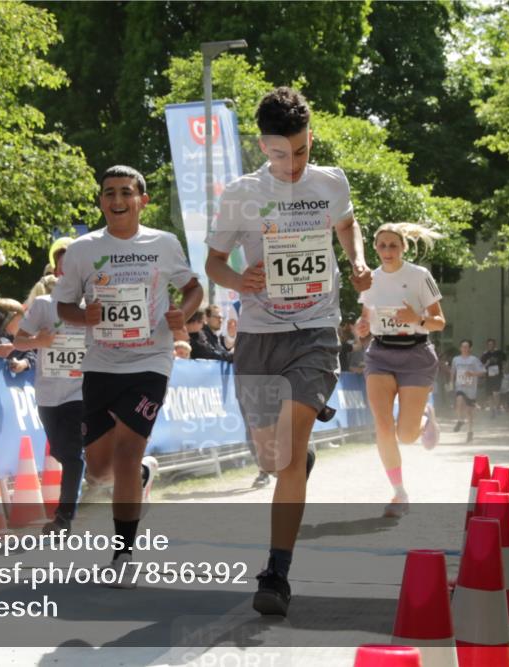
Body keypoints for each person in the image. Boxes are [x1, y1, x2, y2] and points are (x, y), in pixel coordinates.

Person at [205, 87, 371, 617]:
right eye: (281, 154)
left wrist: (357, 261)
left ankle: (276, 571)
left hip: (316, 331)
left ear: (310, 140)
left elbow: (346, 225)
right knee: (272, 455)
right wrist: (241, 279)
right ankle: (295, 457)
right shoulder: (239, 194)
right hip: (258, 335)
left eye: (300, 151)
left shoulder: (331, 182)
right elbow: (214, 264)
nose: (293, 164)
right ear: (262, 147)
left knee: (290, 449)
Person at [54, 165, 203, 581]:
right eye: (108, 193)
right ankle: (138, 479)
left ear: (142, 199)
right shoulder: (83, 250)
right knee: (100, 470)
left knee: (126, 453)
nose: (116, 201)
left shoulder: (164, 243)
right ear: (100, 200)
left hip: (150, 362)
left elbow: (194, 287)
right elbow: (63, 306)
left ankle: (123, 556)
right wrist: (85, 317)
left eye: (125, 193)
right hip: (101, 364)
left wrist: (182, 315)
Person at [357, 222, 446, 518]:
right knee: (383, 426)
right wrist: (362, 327)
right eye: (381, 245)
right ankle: (399, 492)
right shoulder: (370, 279)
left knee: (406, 436)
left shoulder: (420, 276)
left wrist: (416, 317)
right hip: (380, 354)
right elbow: (366, 318)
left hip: (416, 355)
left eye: (393, 245)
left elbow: (439, 322)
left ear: (403, 248)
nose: (387, 251)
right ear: (375, 249)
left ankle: (423, 418)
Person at [14, 238, 84, 533]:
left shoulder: (91, 306)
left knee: (71, 455)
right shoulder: (43, 305)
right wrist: (38, 342)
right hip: (48, 392)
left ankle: (63, 518)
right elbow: (17, 341)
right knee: (59, 451)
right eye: (61, 265)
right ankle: (122, 473)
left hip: (81, 391)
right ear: (56, 270)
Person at [451, 340, 485, 442]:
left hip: (470, 389)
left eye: (466, 347)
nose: (464, 349)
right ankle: (460, 420)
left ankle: (470, 432)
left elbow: (483, 372)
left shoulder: (474, 360)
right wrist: (450, 382)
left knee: (469, 412)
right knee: (459, 401)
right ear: (460, 348)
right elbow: (453, 371)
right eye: (462, 346)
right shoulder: (456, 359)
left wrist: (472, 374)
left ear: (470, 348)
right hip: (460, 386)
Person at [480, 338, 506, 418]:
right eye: (489, 345)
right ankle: (492, 410)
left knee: (496, 393)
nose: (490, 346)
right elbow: (481, 366)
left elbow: (505, 361)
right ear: (487, 345)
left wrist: (504, 369)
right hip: (489, 376)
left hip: (497, 376)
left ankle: (497, 407)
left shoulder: (499, 353)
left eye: (492, 344)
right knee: (490, 394)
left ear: (494, 345)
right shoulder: (485, 354)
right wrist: (487, 364)